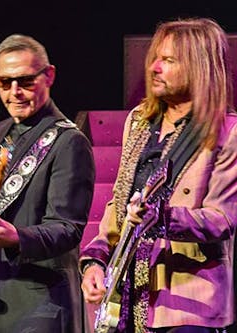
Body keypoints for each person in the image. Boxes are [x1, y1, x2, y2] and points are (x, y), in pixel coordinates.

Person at [80, 18, 237, 333]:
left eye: (169, 60)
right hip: (130, 295)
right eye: (155, 58)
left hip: (187, 303)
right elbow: (119, 204)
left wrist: (162, 217)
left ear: (198, 67)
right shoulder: (138, 123)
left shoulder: (227, 131)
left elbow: (223, 219)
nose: (154, 67)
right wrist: (95, 260)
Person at [0, 34, 95, 332]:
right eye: (5, 82)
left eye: (25, 81)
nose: (15, 92)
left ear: (49, 75)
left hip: (42, 302)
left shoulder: (69, 141)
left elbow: (67, 228)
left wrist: (16, 238)